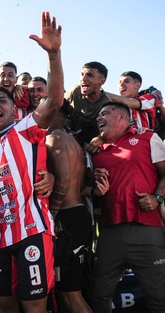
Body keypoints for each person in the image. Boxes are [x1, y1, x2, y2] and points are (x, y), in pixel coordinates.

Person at [0, 11, 63, 312]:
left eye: (3, 101)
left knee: (34, 308)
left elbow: (55, 101)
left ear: (12, 109)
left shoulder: (24, 129)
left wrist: (54, 55)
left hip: (32, 231)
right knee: (4, 307)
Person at [90, 102, 165, 313]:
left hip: (146, 230)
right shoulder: (93, 149)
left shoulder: (147, 137)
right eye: (98, 114)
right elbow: (84, 189)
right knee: (99, 296)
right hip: (108, 232)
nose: (99, 118)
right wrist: (96, 190)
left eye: (104, 113)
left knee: (159, 298)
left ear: (122, 118)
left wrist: (157, 198)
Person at [46, 109, 108, 313]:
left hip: (67, 218)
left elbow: (63, 180)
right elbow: (80, 186)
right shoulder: (74, 144)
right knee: (70, 291)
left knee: (70, 294)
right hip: (78, 215)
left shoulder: (55, 138)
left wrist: (51, 215)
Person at [63, 61, 111, 147]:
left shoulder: (107, 106)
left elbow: (110, 132)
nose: (83, 79)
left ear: (102, 81)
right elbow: (57, 108)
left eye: (90, 75)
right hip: (66, 141)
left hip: (89, 149)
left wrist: (100, 138)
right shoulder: (74, 92)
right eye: (82, 74)